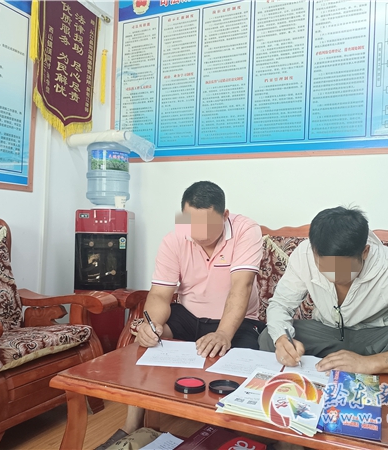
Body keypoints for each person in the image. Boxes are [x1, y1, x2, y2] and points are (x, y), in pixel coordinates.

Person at [98, 181, 265, 449]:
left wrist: (223, 333)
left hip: (238, 321)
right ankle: (131, 425)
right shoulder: (174, 239)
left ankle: (231, 433)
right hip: (188, 315)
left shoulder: (246, 230)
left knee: (245, 362)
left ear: (225, 215)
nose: (199, 234)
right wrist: (151, 326)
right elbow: (160, 295)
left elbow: (241, 286)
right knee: (148, 341)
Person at [258, 206, 388, 376]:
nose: (333, 277)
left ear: (365, 252)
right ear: (314, 251)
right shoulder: (304, 254)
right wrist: (283, 340)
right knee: (270, 336)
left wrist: (368, 363)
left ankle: (364, 369)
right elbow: (280, 305)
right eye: (324, 267)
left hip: (374, 338)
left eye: (343, 270)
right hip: (327, 332)